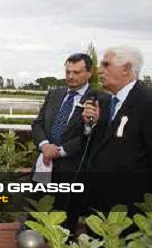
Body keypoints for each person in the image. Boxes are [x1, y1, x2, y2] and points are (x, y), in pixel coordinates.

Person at [31, 53, 108, 232]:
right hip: (43, 168)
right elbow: (38, 124)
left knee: (63, 227)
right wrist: (44, 145)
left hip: (72, 173)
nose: (70, 76)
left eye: (76, 72)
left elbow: (94, 136)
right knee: (35, 217)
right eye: (68, 71)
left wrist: (61, 150)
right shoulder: (54, 94)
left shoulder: (100, 99)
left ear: (89, 73)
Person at [83, 46, 152, 215]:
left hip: (131, 208)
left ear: (126, 69)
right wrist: (89, 125)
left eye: (106, 65)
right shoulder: (105, 102)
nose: (99, 70)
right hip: (98, 204)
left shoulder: (147, 102)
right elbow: (100, 146)